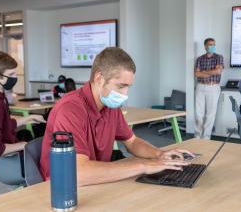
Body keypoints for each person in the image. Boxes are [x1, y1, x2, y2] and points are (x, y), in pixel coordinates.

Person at [40, 47, 194, 186]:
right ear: (99, 79)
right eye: (121, 86)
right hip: (62, 189)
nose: (125, 94)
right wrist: (144, 166)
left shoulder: (109, 105)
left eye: (128, 87)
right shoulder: (70, 109)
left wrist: (159, 154)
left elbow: (132, 141)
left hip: (96, 181)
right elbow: (77, 173)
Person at [0, 51, 46, 174]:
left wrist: (27, 118)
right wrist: (25, 145)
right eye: (11, 74)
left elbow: (1, 124)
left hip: (12, 157)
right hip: (11, 163)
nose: (15, 77)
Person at [194, 38, 224, 140]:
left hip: (213, 87)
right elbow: (197, 73)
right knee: (199, 113)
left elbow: (218, 72)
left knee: (210, 114)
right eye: (210, 44)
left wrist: (204, 72)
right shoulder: (200, 59)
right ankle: (197, 135)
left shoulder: (219, 57)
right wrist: (211, 71)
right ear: (205, 46)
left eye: (214, 44)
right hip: (200, 86)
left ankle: (206, 137)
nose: (212, 46)